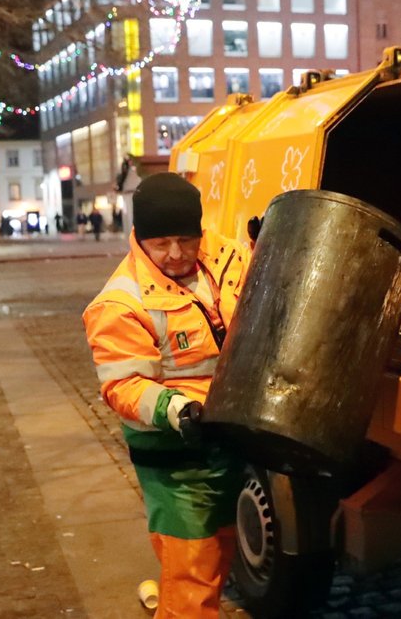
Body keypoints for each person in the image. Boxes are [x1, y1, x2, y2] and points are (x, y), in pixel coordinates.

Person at [82, 173, 251, 618]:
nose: (176, 254)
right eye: (161, 244)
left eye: (185, 239)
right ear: (139, 238)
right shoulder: (120, 303)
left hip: (223, 443)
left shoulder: (226, 259)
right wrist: (175, 409)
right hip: (174, 457)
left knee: (214, 555)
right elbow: (122, 385)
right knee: (192, 575)